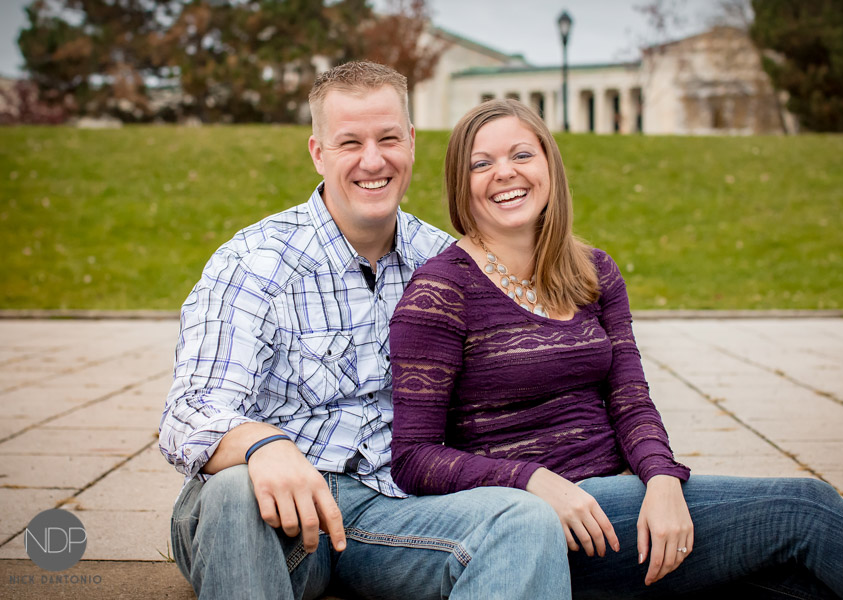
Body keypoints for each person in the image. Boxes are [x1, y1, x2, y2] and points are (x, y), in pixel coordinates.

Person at [388, 98, 843, 599]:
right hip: (551, 525)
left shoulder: (592, 271)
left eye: (522, 154)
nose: (505, 172)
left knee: (800, 580)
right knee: (805, 509)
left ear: (549, 164)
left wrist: (661, 479)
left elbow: (631, 398)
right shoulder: (440, 293)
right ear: (461, 183)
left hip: (625, 497)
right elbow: (413, 457)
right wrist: (531, 480)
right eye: (482, 163)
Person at [159, 63, 574, 600]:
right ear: (317, 152)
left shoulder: (444, 263)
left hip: (388, 511)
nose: (372, 160)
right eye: (349, 142)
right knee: (236, 489)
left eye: (388, 139)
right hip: (265, 511)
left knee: (524, 519)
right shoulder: (254, 261)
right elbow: (189, 411)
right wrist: (265, 445)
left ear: (412, 144)